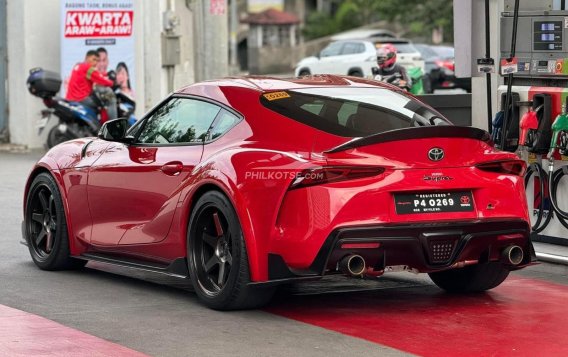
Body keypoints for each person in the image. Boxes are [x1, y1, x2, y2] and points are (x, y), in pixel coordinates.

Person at [66, 50, 118, 120]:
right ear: (87, 58)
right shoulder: (88, 69)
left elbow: (96, 75)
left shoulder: (78, 65)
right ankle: (114, 126)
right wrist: (113, 83)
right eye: (93, 59)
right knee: (111, 98)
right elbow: (102, 80)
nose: (95, 63)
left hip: (71, 99)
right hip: (82, 99)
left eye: (97, 60)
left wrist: (106, 74)